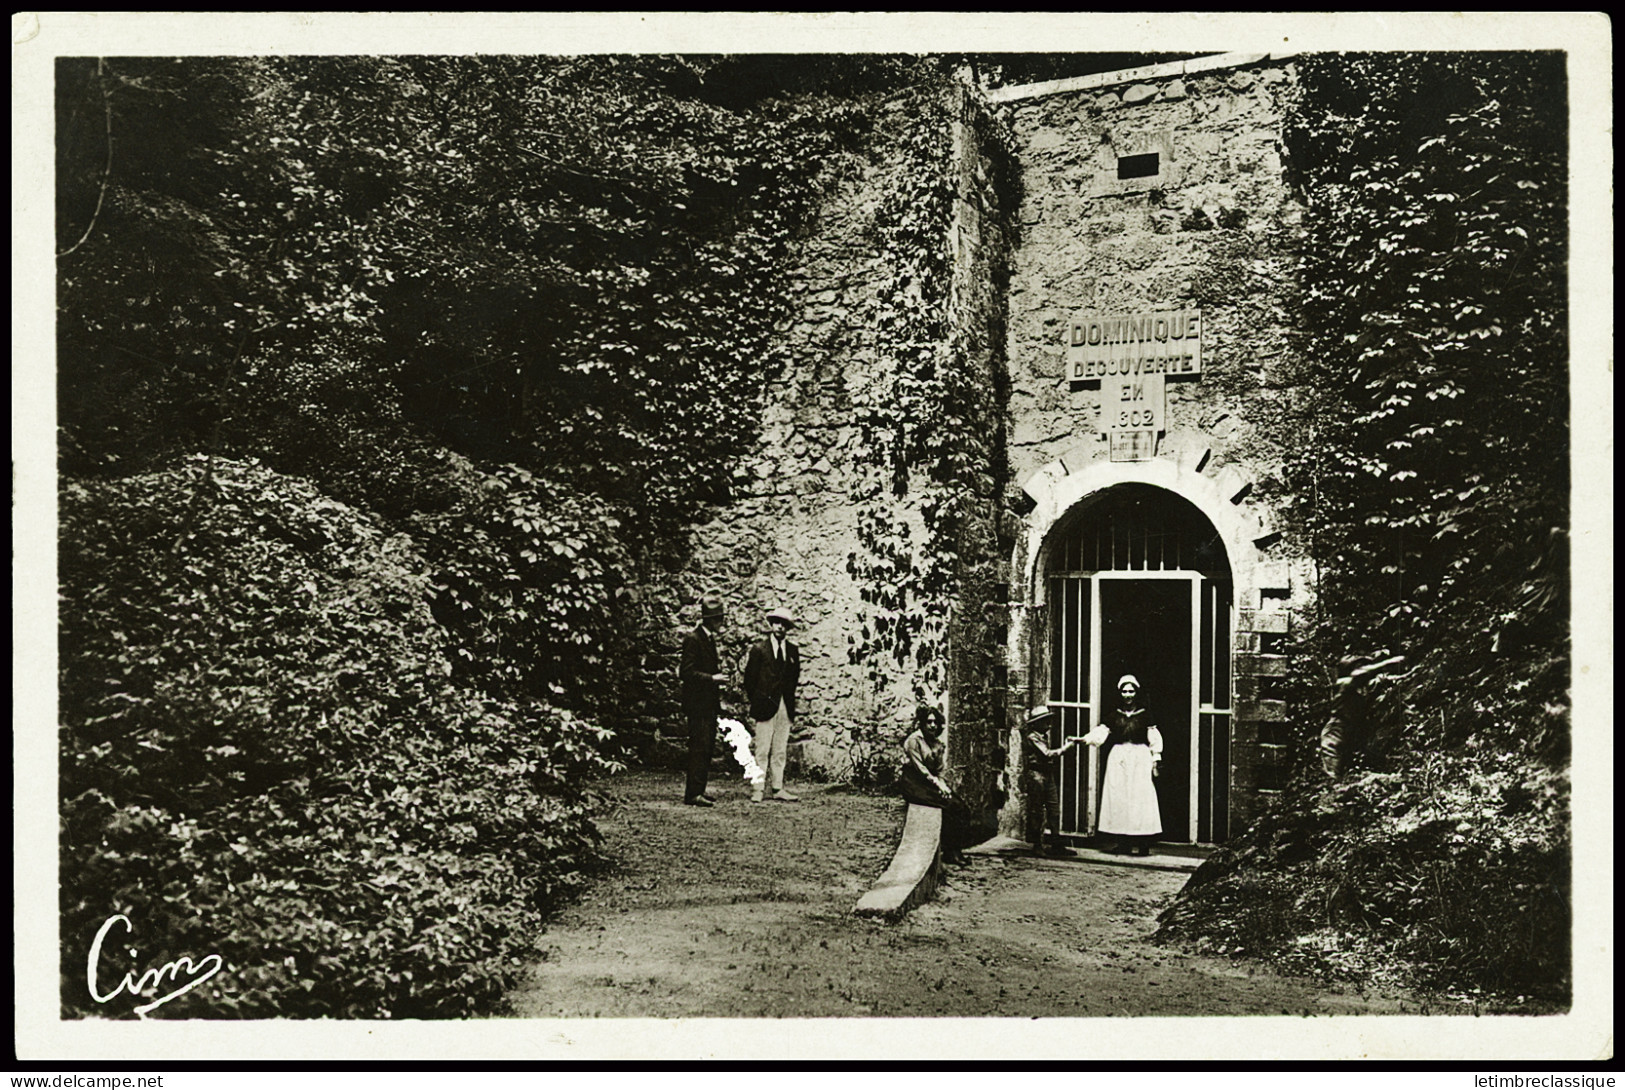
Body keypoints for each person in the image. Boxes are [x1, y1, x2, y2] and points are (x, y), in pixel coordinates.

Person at [1084, 675, 1163, 856]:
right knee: (1119, 798)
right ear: (1120, 693)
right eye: (1125, 691)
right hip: (1118, 757)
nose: (1128, 695)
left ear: (1136, 693)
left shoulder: (1145, 715)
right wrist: (1085, 739)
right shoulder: (1114, 715)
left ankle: (1143, 844)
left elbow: (1154, 740)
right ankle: (1123, 843)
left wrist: (1155, 761)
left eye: (1131, 691)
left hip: (1140, 757)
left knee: (1141, 799)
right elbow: (1100, 733)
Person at [897, 706, 972, 864]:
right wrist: (938, 785)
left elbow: (939, 770)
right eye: (928, 722)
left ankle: (953, 849)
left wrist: (943, 786)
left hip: (931, 782)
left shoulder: (937, 743)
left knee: (961, 806)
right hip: (914, 783)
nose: (932, 725)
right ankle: (951, 852)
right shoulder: (914, 741)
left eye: (935, 723)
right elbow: (921, 769)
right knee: (949, 806)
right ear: (922, 724)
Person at [743, 605, 801, 803]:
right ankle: (758, 789)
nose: (780, 627)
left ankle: (778, 787)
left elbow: (793, 679)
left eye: (784, 624)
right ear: (771, 625)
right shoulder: (760, 649)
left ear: (788, 628)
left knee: (780, 749)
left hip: (785, 705)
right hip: (765, 705)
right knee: (762, 748)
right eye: (777, 623)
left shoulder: (792, 651)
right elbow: (749, 680)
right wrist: (760, 699)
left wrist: (787, 700)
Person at [1320, 652, 1407, 778]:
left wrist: (1409, 674)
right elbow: (1360, 674)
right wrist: (1387, 663)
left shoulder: (1361, 687)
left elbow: (1383, 679)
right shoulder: (1344, 683)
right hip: (1336, 730)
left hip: (1352, 730)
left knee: (1350, 770)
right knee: (1332, 772)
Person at [679, 596, 729, 807]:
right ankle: (692, 794)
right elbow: (686, 672)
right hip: (697, 705)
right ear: (710, 620)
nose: (721, 623)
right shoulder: (694, 638)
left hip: (707, 704)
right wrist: (712, 679)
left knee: (706, 747)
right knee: (699, 748)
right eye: (718, 619)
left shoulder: (708, 639)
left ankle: (699, 789)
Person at [1022, 705, 1081, 857]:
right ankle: (1037, 845)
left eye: (1048, 721)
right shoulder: (1033, 737)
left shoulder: (1043, 736)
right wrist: (1066, 748)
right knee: (1037, 811)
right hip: (1036, 775)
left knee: (1054, 810)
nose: (1048, 724)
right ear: (1035, 723)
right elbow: (1047, 754)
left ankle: (1056, 843)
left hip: (1047, 774)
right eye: (1044, 721)